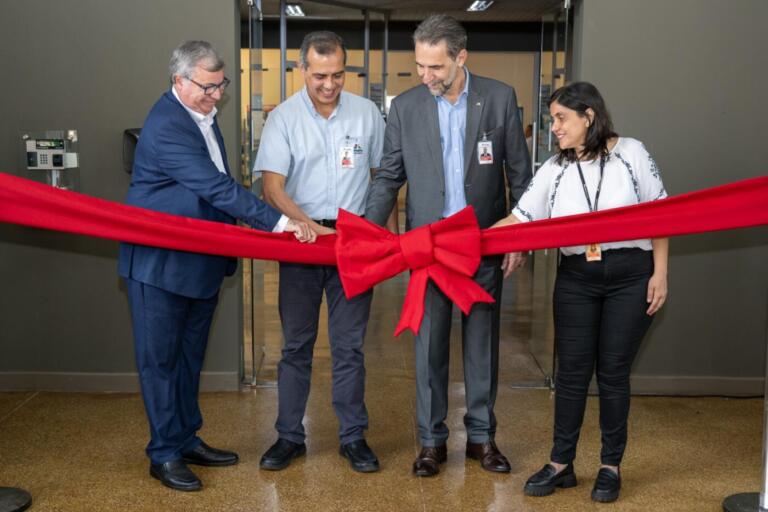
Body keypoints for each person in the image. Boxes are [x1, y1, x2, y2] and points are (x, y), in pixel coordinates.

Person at [118, 40, 314, 492]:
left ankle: (186, 438)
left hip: (200, 265)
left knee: (188, 360)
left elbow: (222, 184)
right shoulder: (167, 123)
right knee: (161, 363)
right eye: (207, 87)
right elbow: (216, 188)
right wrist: (282, 223)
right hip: (159, 266)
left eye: (220, 85)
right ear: (178, 81)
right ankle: (163, 453)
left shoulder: (202, 117)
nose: (216, 95)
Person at [365, 14, 531, 477]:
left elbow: (520, 175)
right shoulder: (407, 107)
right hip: (429, 248)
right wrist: (366, 234)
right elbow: (389, 177)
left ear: (461, 57)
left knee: (482, 345)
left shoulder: (498, 98)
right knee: (429, 347)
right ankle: (431, 442)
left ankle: (481, 437)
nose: (425, 76)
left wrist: (520, 237)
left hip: (481, 245)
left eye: (435, 67)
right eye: (420, 65)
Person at [492, 81, 669, 503]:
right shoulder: (554, 168)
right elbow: (518, 218)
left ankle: (610, 466)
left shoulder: (632, 153)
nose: (554, 127)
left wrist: (660, 273)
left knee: (612, 373)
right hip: (576, 279)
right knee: (570, 374)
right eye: (553, 119)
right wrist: (459, 240)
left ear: (588, 115)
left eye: (560, 119)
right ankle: (561, 463)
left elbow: (663, 213)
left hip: (631, 275)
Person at [254, 31, 386, 473]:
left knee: (349, 348)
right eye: (319, 76)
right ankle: (289, 436)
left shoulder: (367, 114)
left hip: (353, 243)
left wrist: (373, 230)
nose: (329, 84)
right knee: (296, 346)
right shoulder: (284, 119)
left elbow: (383, 177)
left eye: (337, 75)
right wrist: (306, 224)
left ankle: (353, 437)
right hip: (302, 243)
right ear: (301, 70)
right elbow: (272, 188)